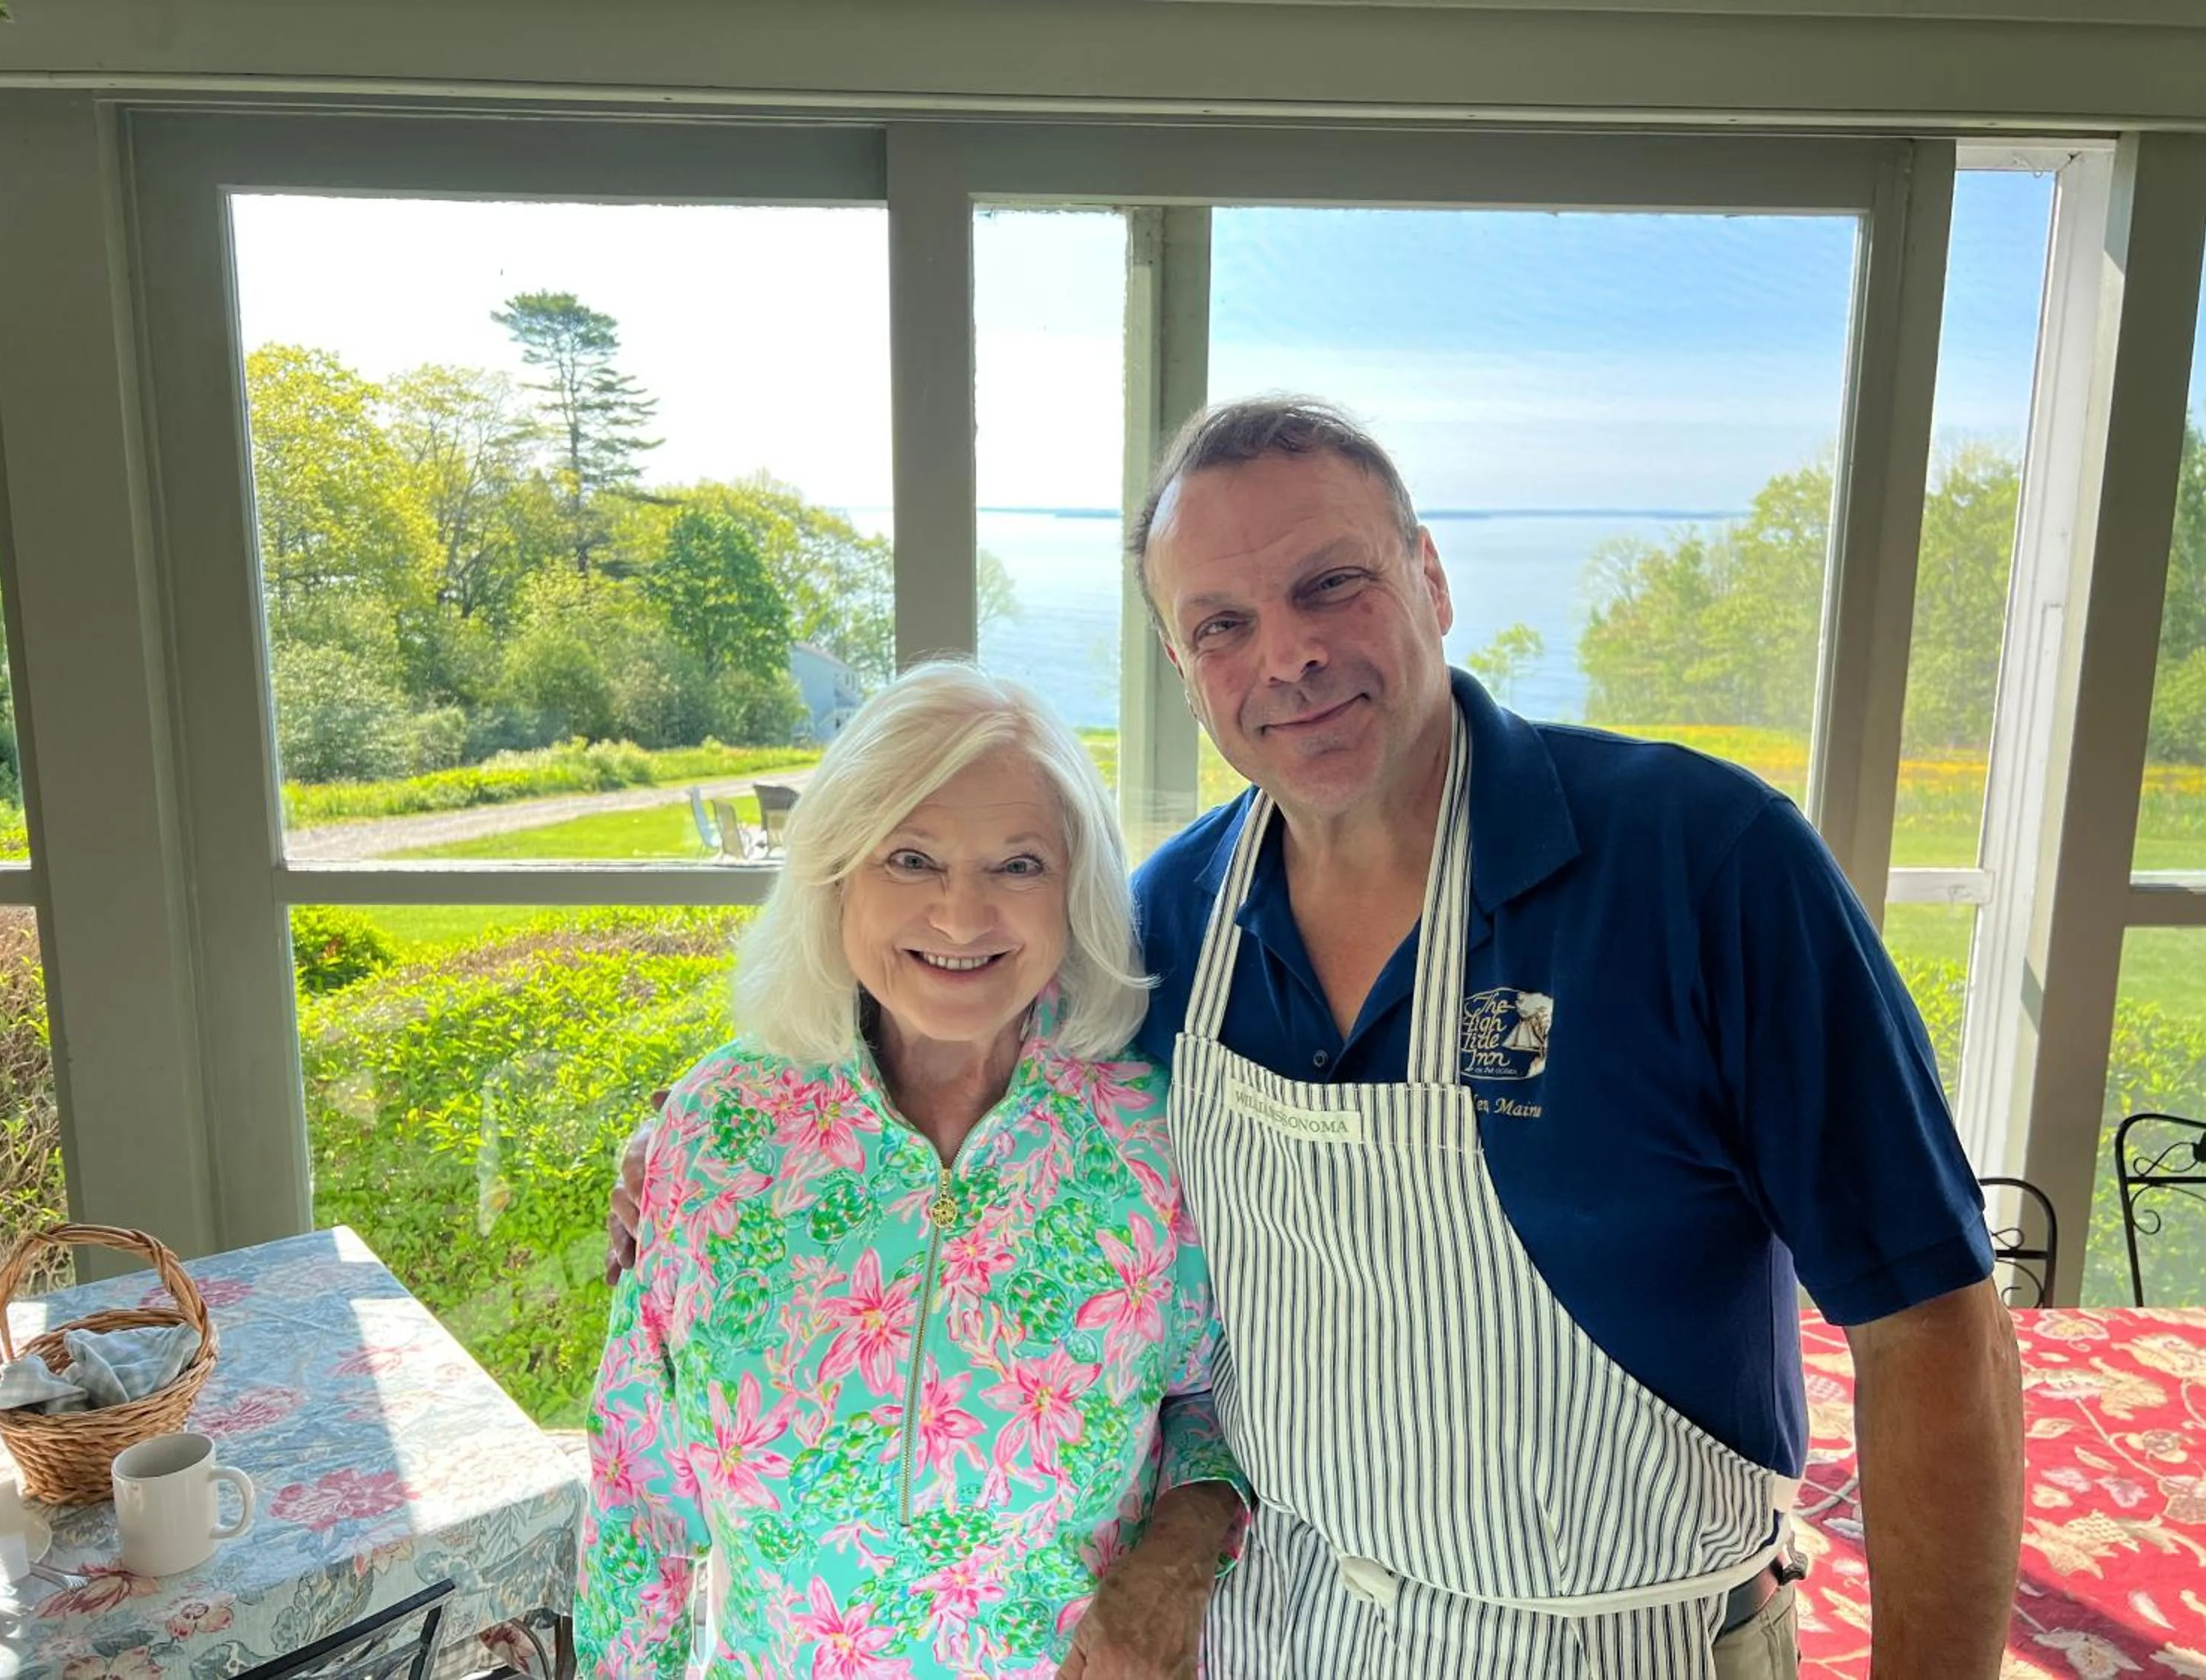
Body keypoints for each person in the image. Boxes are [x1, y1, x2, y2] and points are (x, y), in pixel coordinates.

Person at [615, 399, 2026, 1679]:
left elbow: (1930, 1327)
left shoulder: (1703, 867)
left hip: (1625, 1637)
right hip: (1279, 1626)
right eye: (1219, 623)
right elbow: (944, 1011)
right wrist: (705, 1134)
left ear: (1430, 577)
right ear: (1183, 668)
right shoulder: (1168, 926)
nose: (1284, 653)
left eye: (1330, 583)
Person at [577, 661, 1247, 1679]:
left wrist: (1177, 1557)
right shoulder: (716, 1131)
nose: (960, 915)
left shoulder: (1151, 1138)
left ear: (1076, 887)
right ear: (837, 872)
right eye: (911, 858)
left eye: (1018, 864)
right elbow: (637, 1497)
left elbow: (1215, 1401)